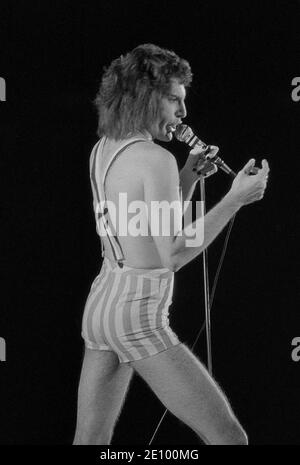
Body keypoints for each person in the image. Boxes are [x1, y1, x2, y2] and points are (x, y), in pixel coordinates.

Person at [73, 44, 269, 445]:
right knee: (230, 439)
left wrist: (190, 176)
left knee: (89, 441)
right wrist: (234, 200)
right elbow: (174, 252)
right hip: (137, 314)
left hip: (101, 306)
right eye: (174, 100)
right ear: (147, 98)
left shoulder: (104, 149)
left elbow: (144, 222)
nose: (183, 114)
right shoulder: (153, 158)